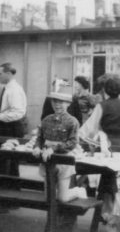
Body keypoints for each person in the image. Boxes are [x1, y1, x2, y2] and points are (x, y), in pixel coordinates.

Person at [32, 92, 86, 231]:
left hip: (63, 162)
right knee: (48, 198)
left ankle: (79, 191)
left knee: (62, 198)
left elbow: (72, 143)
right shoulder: (46, 120)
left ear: (68, 104)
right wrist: (37, 147)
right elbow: (40, 138)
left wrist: (54, 148)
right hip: (47, 162)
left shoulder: (72, 121)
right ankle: (51, 226)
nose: (58, 105)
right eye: (55, 101)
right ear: (51, 103)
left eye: (62, 102)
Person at [0, 63, 27, 178]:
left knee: (10, 159)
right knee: (5, 159)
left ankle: (10, 186)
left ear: (8, 74)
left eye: (0, 74)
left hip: (12, 127)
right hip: (7, 125)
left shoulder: (14, 90)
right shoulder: (8, 88)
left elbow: (18, 113)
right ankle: (6, 184)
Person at [79, 75, 120, 152]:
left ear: (105, 90)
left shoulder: (102, 106)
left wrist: (79, 135)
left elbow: (90, 126)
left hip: (106, 146)